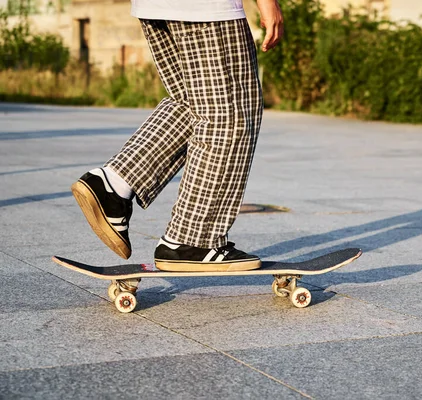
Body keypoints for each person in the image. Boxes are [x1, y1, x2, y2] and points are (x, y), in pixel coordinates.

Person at [71, 0, 284, 272]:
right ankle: (193, 240)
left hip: (156, 7)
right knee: (232, 114)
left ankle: (113, 184)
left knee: (193, 103)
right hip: (206, 10)